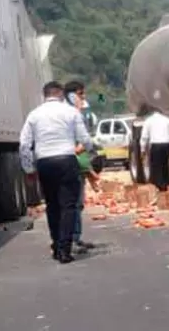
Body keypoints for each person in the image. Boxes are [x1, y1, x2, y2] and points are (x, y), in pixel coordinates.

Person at [20, 81, 93, 264]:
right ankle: (64, 250)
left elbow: (24, 144)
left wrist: (29, 169)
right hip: (67, 160)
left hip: (45, 162)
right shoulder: (70, 112)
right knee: (68, 205)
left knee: (52, 205)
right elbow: (84, 137)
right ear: (60, 94)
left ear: (45, 95)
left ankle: (56, 244)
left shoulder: (34, 115)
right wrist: (91, 152)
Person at [64, 81, 100, 253]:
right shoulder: (72, 115)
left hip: (65, 164)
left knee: (66, 204)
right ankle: (71, 239)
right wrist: (89, 170)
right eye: (80, 94)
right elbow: (84, 143)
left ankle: (66, 239)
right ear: (71, 96)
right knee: (74, 204)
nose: (83, 97)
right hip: (73, 165)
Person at [138, 104, 169, 196]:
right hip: (167, 144)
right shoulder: (168, 120)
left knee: (156, 166)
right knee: (165, 164)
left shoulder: (148, 121)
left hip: (156, 145)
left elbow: (144, 137)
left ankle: (161, 186)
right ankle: (167, 181)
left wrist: (142, 150)